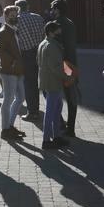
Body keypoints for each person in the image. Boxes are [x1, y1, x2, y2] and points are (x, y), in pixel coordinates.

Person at [0, 5, 26, 140]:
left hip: (17, 70)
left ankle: (9, 126)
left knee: (20, 97)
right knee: (8, 100)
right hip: (9, 71)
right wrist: (12, 62)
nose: (14, 18)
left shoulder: (14, 30)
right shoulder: (4, 31)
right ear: (6, 16)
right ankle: (5, 130)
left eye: (15, 15)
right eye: (11, 16)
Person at [49, 0, 80, 137]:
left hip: (61, 63)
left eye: (53, 8)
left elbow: (55, 44)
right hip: (71, 63)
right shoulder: (71, 22)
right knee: (71, 95)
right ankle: (70, 126)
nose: (51, 11)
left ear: (57, 9)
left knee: (53, 93)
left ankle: (61, 123)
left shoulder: (56, 24)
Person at [14, 0, 45, 122]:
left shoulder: (18, 20)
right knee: (39, 82)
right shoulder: (38, 17)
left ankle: (33, 112)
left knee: (29, 83)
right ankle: (38, 110)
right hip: (40, 51)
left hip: (27, 54)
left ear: (17, 8)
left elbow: (17, 39)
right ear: (28, 6)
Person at [37, 21, 66, 150]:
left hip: (46, 81)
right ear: (51, 32)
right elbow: (56, 67)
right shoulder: (52, 46)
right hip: (53, 82)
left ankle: (56, 136)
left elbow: (38, 62)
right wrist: (69, 76)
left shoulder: (43, 43)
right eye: (57, 30)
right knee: (51, 111)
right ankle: (47, 140)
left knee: (56, 109)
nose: (60, 33)